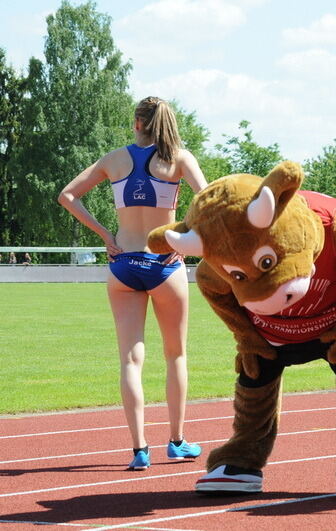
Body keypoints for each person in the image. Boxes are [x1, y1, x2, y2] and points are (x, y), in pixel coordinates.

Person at [58, 96, 208, 471]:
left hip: (123, 263)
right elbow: (210, 203)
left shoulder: (114, 159)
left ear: (138, 124)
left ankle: (140, 450)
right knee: (175, 354)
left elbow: (67, 196)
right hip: (164, 263)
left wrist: (105, 235)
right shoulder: (180, 159)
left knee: (129, 359)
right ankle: (176, 441)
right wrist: (186, 239)